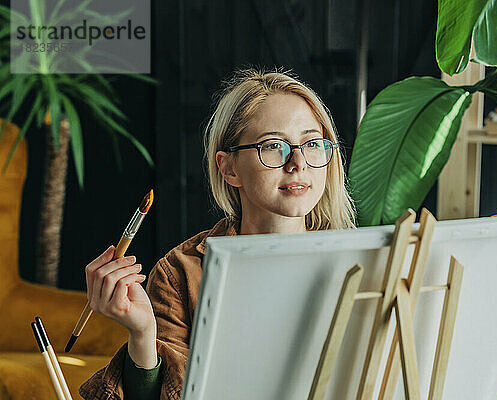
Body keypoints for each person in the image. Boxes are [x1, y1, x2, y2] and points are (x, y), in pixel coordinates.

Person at [79, 68, 356, 399]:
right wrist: (142, 333)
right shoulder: (180, 273)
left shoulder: (358, 261)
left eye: (312, 143)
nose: (298, 162)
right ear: (229, 168)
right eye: (273, 146)